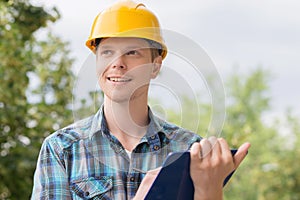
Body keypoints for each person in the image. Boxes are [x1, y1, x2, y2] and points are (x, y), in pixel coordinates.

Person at [31, 0, 250, 199]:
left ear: (155, 66)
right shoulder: (62, 149)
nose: (118, 63)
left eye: (132, 52)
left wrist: (208, 191)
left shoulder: (189, 150)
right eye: (107, 52)